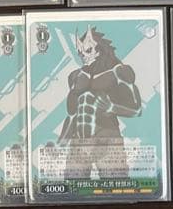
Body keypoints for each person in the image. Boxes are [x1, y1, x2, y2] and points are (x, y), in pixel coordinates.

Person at [56, 27, 142, 181]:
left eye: (88, 50)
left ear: (100, 49)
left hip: (107, 137)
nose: (83, 55)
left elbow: (136, 109)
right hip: (79, 141)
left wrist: (112, 107)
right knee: (73, 188)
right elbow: (72, 114)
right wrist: (61, 142)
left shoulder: (118, 71)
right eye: (80, 52)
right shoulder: (75, 76)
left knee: (116, 186)